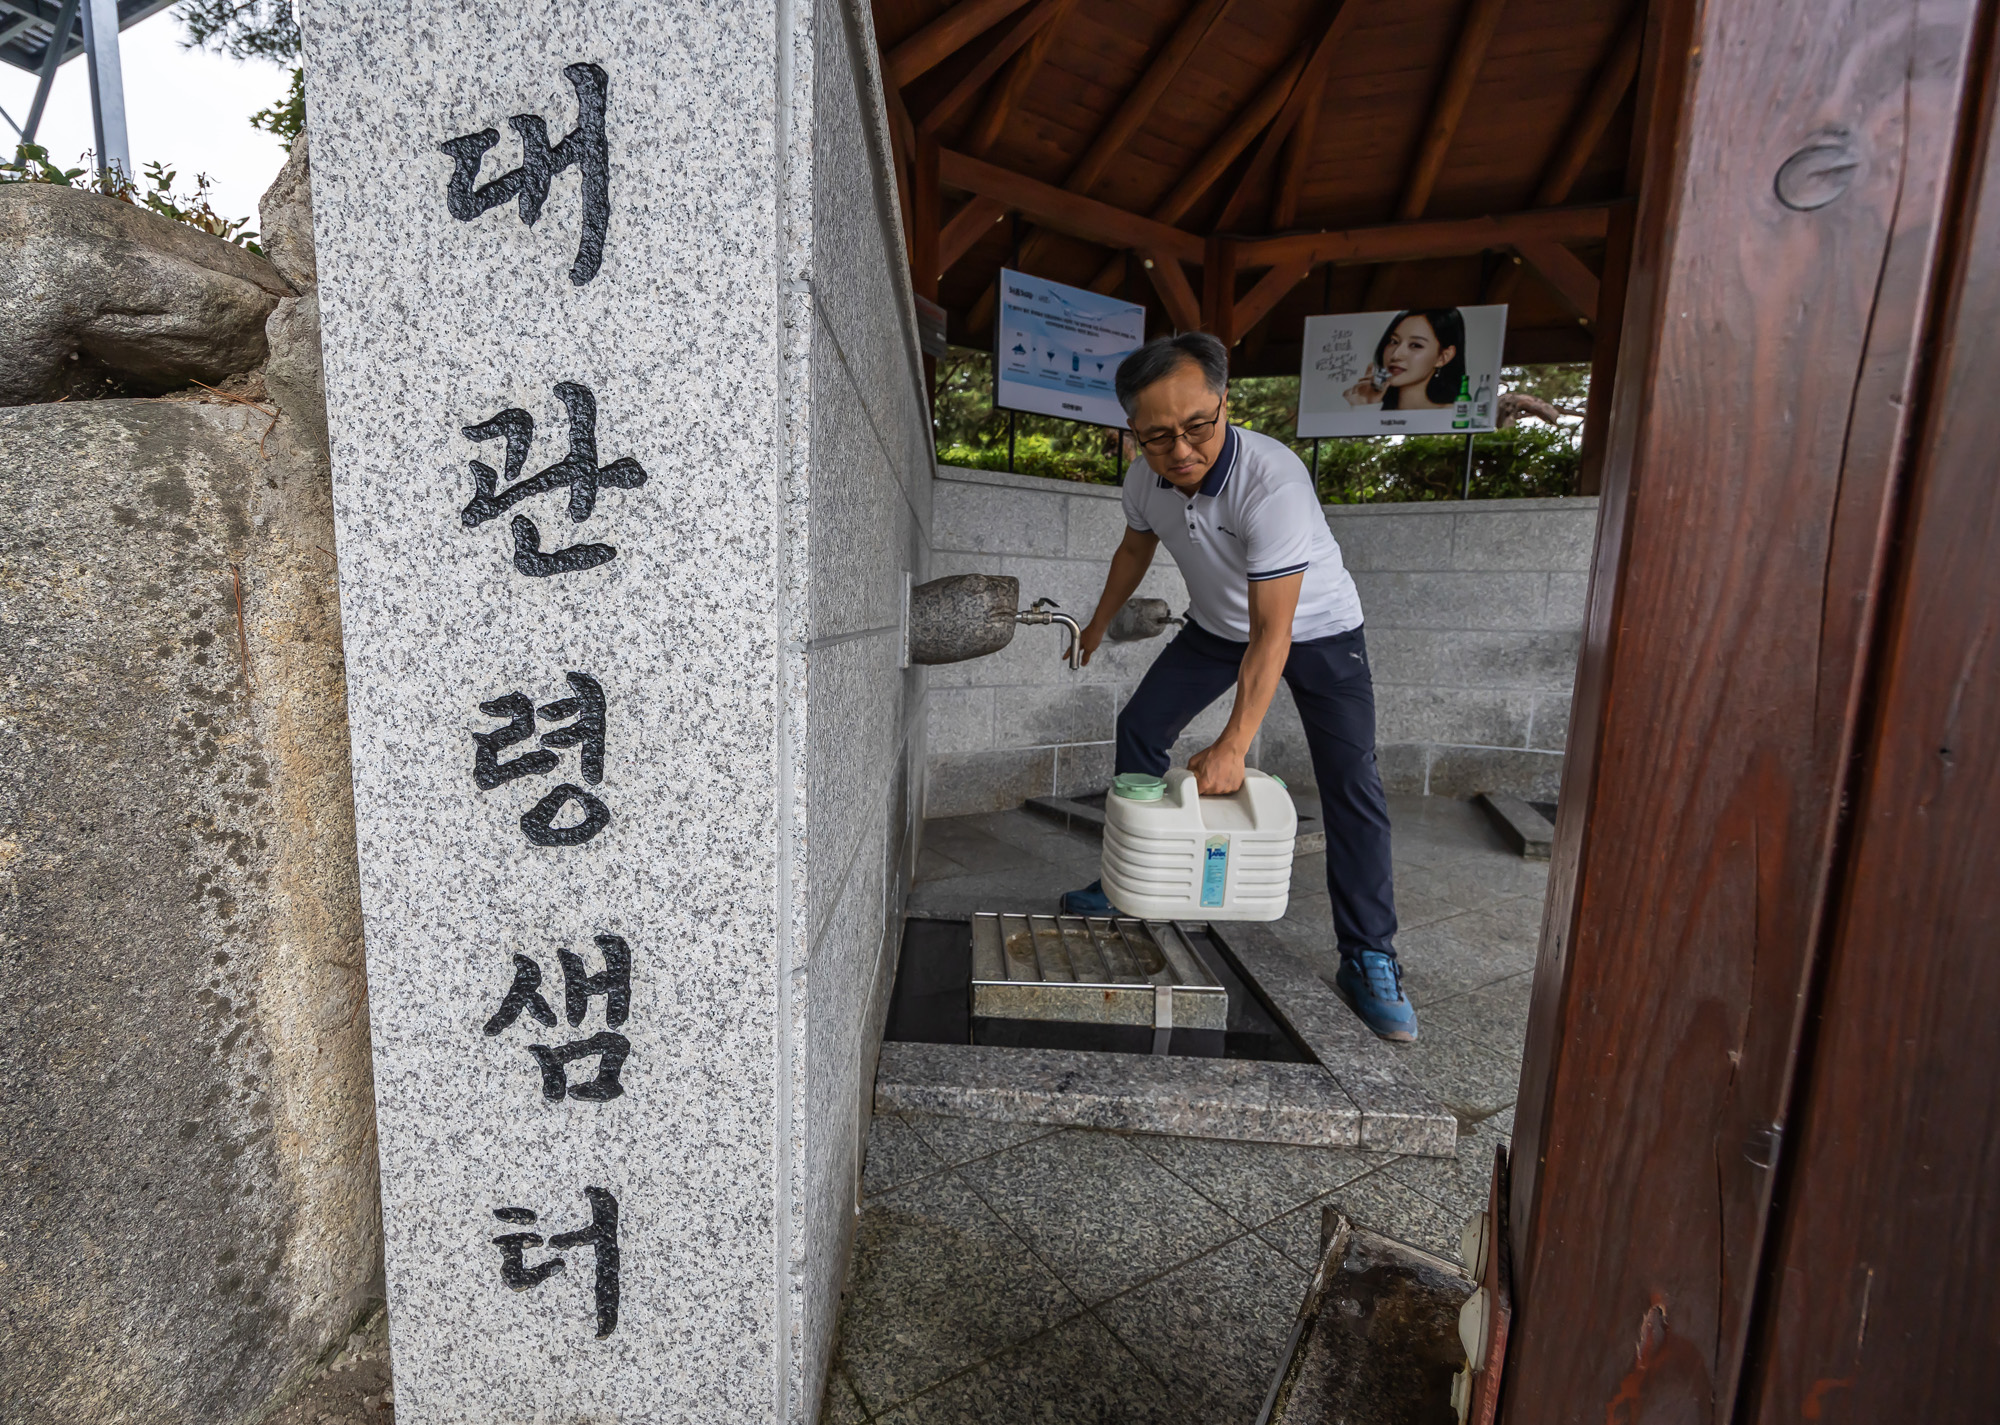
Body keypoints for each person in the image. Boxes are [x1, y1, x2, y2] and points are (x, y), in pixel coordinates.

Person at [1060, 332, 1417, 1042]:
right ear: (1133, 433)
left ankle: (1369, 955)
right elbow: (1137, 545)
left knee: (1351, 780)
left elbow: (1273, 635)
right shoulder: (1144, 479)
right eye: (1158, 436)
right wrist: (1098, 621)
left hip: (1318, 631)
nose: (1182, 450)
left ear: (1227, 402)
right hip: (1218, 628)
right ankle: (1130, 879)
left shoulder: (1272, 482)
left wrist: (1233, 745)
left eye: (1198, 426)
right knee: (1140, 725)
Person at [1341, 308, 1466, 411]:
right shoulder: (1365, 405)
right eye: (1393, 341)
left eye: (1416, 345)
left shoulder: (1451, 414)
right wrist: (1364, 408)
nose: (1396, 355)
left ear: (1443, 357)